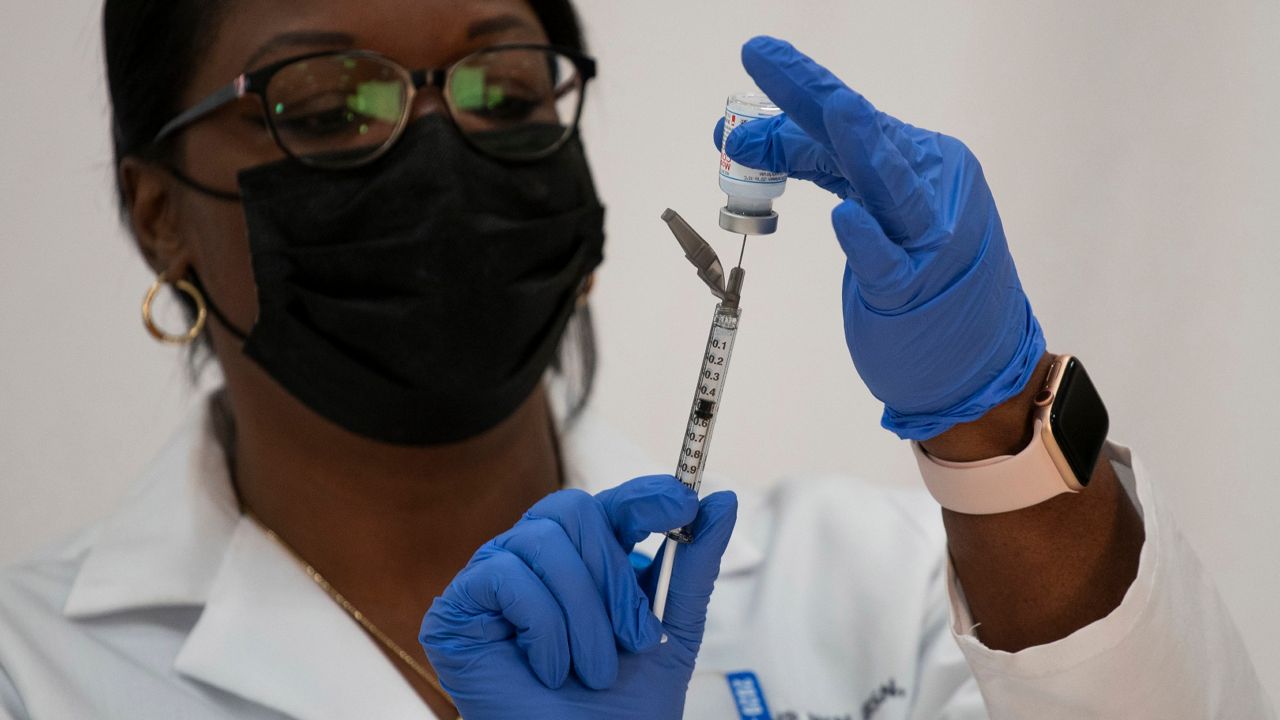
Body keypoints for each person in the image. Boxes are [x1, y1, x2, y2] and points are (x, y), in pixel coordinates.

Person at [0, 0, 1271, 717]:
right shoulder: (38, 673)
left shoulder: (866, 593)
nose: (438, 153)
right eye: (329, 107)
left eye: (504, 90)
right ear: (157, 207)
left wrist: (995, 426)